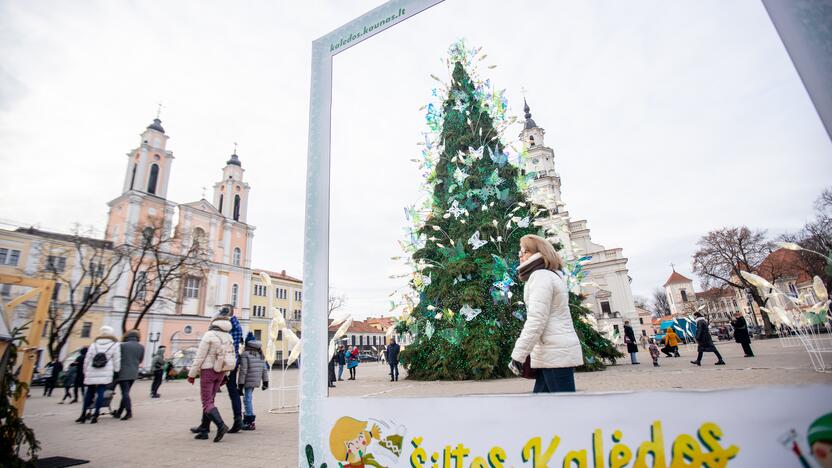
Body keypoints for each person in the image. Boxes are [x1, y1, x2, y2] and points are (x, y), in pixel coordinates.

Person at [510, 234, 583, 393]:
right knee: (542, 409)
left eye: (525, 251)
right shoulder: (549, 275)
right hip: (551, 352)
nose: (520, 255)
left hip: (554, 352)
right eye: (519, 252)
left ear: (539, 253)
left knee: (564, 410)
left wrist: (518, 355)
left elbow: (537, 319)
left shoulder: (540, 276)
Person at [187, 314, 233, 442]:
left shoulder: (209, 335)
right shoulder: (228, 336)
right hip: (221, 371)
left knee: (206, 402)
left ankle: (220, 425)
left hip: (208, 371)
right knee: (210, 400)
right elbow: (229, 356)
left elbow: (200, 356)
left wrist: (192, 374)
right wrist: (226, 375)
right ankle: (204, 429)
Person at [76, 325, 121, 424]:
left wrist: (85, 371)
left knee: (89, 392)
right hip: (106, 370)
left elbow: (87, 359)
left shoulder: (94, 344)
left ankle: (83, 413)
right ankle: (96, 414)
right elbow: (116, 359)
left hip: (92, 370)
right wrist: (117, 370)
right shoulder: (114, 344)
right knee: (101, 391)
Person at [237, 334, 269, 431]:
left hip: (247, 380)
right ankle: (248, 418)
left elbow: (243, 370)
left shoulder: (245, 354)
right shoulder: (260, 354)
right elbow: (264, 369)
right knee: (248, 398)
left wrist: (240, 385)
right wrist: (265, 382)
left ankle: (249, 421)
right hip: (256, 380)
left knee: (247, 399)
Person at [221, 306, 244, 433]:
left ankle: (206, 424)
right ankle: (238, 419)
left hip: (223, 361)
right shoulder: (238, 325)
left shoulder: (226, 326)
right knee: (232, 390)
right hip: (233, 361)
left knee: (209, 391)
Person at [113, 329, 144, 420]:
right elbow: (140, 360)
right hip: (134, 372)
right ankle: (119, 412)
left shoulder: (122, 345)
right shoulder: (141, 347)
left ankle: (129, 412)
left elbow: (117, 358)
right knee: (126, 392)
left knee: (125, 393)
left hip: (123, 372)